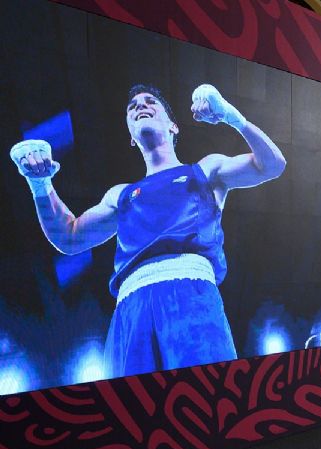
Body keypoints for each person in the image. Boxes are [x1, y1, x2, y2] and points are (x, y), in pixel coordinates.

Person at [9, 83, 286, 377]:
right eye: (133, 106)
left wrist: (232, 116)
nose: (140, 105)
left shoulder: (205, 170)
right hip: (131, 309)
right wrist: (40, 184)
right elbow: (69, 237)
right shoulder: (120, 195)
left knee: (208, 403)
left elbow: (271, 165)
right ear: (130, 137)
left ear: (173, 126)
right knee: (131, 413)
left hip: (190, 298)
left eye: (150, 101)